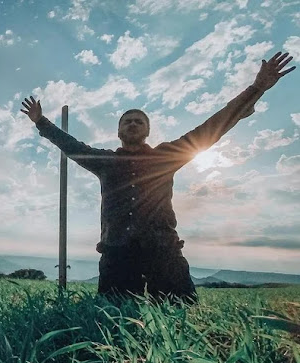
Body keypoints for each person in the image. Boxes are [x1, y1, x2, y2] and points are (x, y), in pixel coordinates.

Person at [20, 52, 295, 304]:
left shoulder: (166, 156)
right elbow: (71, 146)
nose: (133, 124)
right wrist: (41, 122)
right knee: (112, 319)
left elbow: (213, 127)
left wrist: (256, 89)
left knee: (182, 314)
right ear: (118, 131)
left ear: (147, 131)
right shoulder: (106, 162)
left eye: (139, 121)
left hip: (163, 251)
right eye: (127, 120)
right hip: (117, 254)